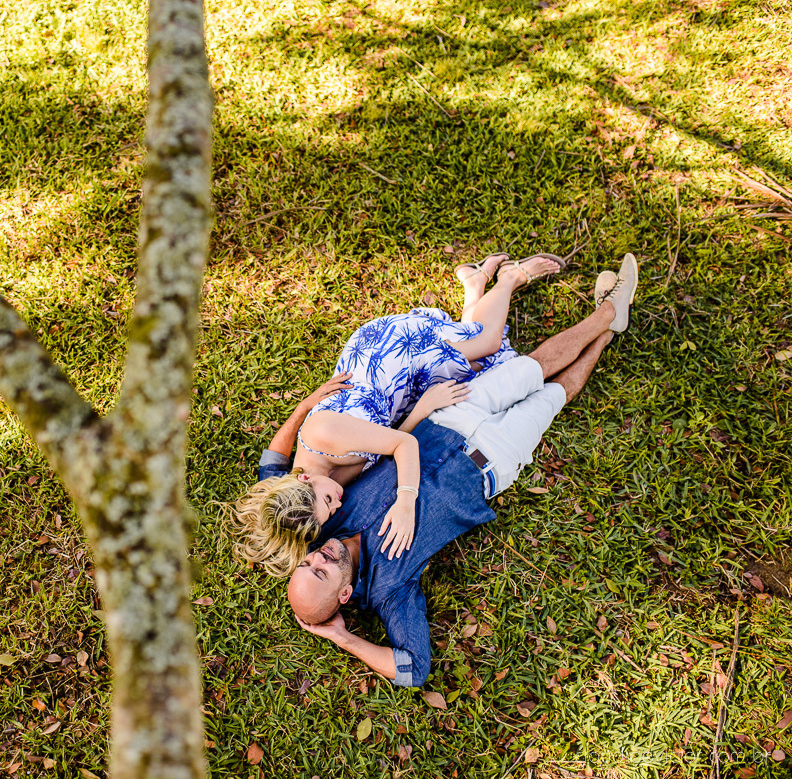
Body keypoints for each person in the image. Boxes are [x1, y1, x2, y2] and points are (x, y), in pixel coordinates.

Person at [285, 255, 638, 687]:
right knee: (554, 395)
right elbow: (414, 670)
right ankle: (607, 333)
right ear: (343, 595)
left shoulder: (326, 516)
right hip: (491, 459)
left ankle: (607, 311)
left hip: (447, 418)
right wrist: (344, 640)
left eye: (308, 562)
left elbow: (272, 470)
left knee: (534, 366)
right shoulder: (387, 593)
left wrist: (306, 407)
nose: (320, 555)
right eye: (321, 570)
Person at [233, 253, 567, 576]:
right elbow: (384, 443)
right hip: (400, 403)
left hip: (386, 362)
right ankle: (474, 283)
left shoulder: (323, 435)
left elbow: (403, 445)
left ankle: (510, 277)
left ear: (303, 478)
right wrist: (423, 407)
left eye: (327, 503)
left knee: (488, 344)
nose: (336, 509)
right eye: (328, 513)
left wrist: (406, 502)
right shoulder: (310, 492)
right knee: (474, 371)